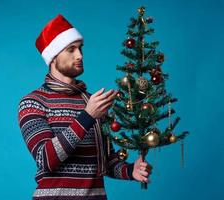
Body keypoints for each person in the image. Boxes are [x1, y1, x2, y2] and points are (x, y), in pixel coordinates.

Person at [18, 14, 152, 200]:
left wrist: (131, 171)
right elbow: (46, 159)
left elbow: (105, 161)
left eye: (80, 49)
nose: (80, 55)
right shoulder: (33, 102)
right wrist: (87, 115)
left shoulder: (91, 102)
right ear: (53, 57)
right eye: (71, 49)